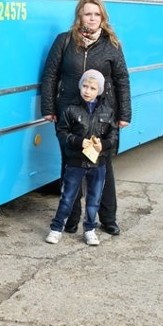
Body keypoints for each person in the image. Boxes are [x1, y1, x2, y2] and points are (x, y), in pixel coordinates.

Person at [40, 0, 132, 236]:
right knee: (70, 165)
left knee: (103, 166)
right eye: (87, 13)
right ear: (79, 16)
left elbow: (122, 79)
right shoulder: (64, 41)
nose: (92, 18)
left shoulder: (111, 44)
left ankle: (108, 219)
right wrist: (49, 108)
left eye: (96, 14)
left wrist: (124, 114)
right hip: (70, 114)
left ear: (102, 18)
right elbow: (50, 75)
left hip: (102, 116)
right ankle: (70, 222)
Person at [45, 70, 117, 246]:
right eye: (85, 86)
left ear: (99, 90)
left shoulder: (107, 112)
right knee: (67, 197)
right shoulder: (71, 109)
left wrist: (104, 146)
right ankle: (56, 228)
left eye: (92, 88)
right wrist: (78, 141)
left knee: (94, 200)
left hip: (97, 163)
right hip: (75, 162)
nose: (87, 91)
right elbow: (62, 132)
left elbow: (113, 135)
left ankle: (90, 229)